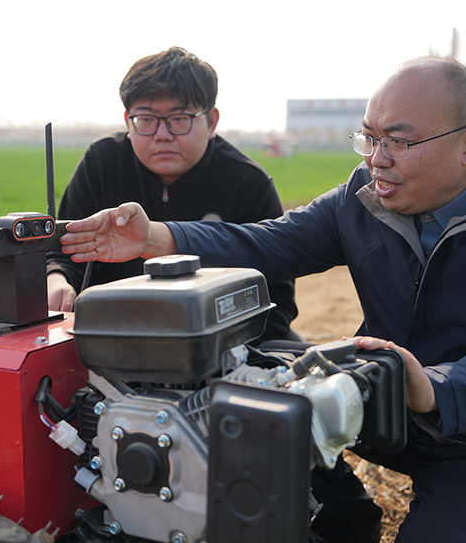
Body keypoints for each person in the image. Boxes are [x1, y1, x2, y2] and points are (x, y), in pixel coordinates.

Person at [59, 57, 466, 543]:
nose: (377, 159)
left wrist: (435, 386)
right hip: (384, 404)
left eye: (398, 141)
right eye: (368, 138)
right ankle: (342, 530)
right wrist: (157, 235)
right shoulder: (361, 197)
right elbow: (269, 242)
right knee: (251, 383)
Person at [46, 46, 297, 341]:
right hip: (111, 333)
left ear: (212, 121)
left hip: (216, 344)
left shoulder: (248, 183)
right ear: (128, 120)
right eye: (146, 119)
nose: (161, 134)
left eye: (179, 118)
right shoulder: (102, 163)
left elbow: (276, 297)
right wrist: (56, 279)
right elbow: (65, 250)